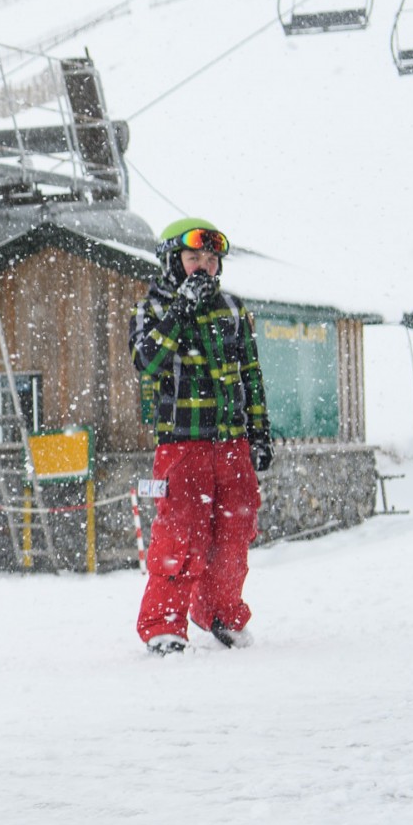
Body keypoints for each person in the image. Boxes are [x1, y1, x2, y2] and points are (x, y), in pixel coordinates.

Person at [129, 217, 272, 655]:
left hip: (232, 444)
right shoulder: (151, 309)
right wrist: (180, 311)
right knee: (181, 536)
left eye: (211, 259)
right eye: (194, 258)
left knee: (234, 536)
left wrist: (260, 433)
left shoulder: (232, 308)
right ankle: (163, 626)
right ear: (173, 262)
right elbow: (146, 363)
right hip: (183, 444)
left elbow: (250, 374)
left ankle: (219, 612)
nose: (204, 267)